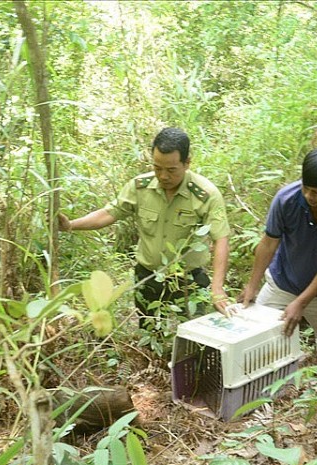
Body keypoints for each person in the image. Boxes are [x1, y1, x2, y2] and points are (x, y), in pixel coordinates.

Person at [58, 127, 231, 328]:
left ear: (187, 163)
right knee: (149, 331)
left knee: (194, 337)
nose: (163, 176)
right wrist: (70, 225)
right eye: (158, 168)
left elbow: (221, 239)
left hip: (187, 281)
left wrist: (217, 288)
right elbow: (109, 213)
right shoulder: (140, 187)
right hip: (148, 276)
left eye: (171, 170)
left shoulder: (206, 194)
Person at [238, 148, 317, 369]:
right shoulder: (286, 200)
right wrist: (252, 286)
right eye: (306, 188)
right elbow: (268, 244)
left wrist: (301, 302)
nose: (309, 196)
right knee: (256, 336)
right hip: (283, 283)